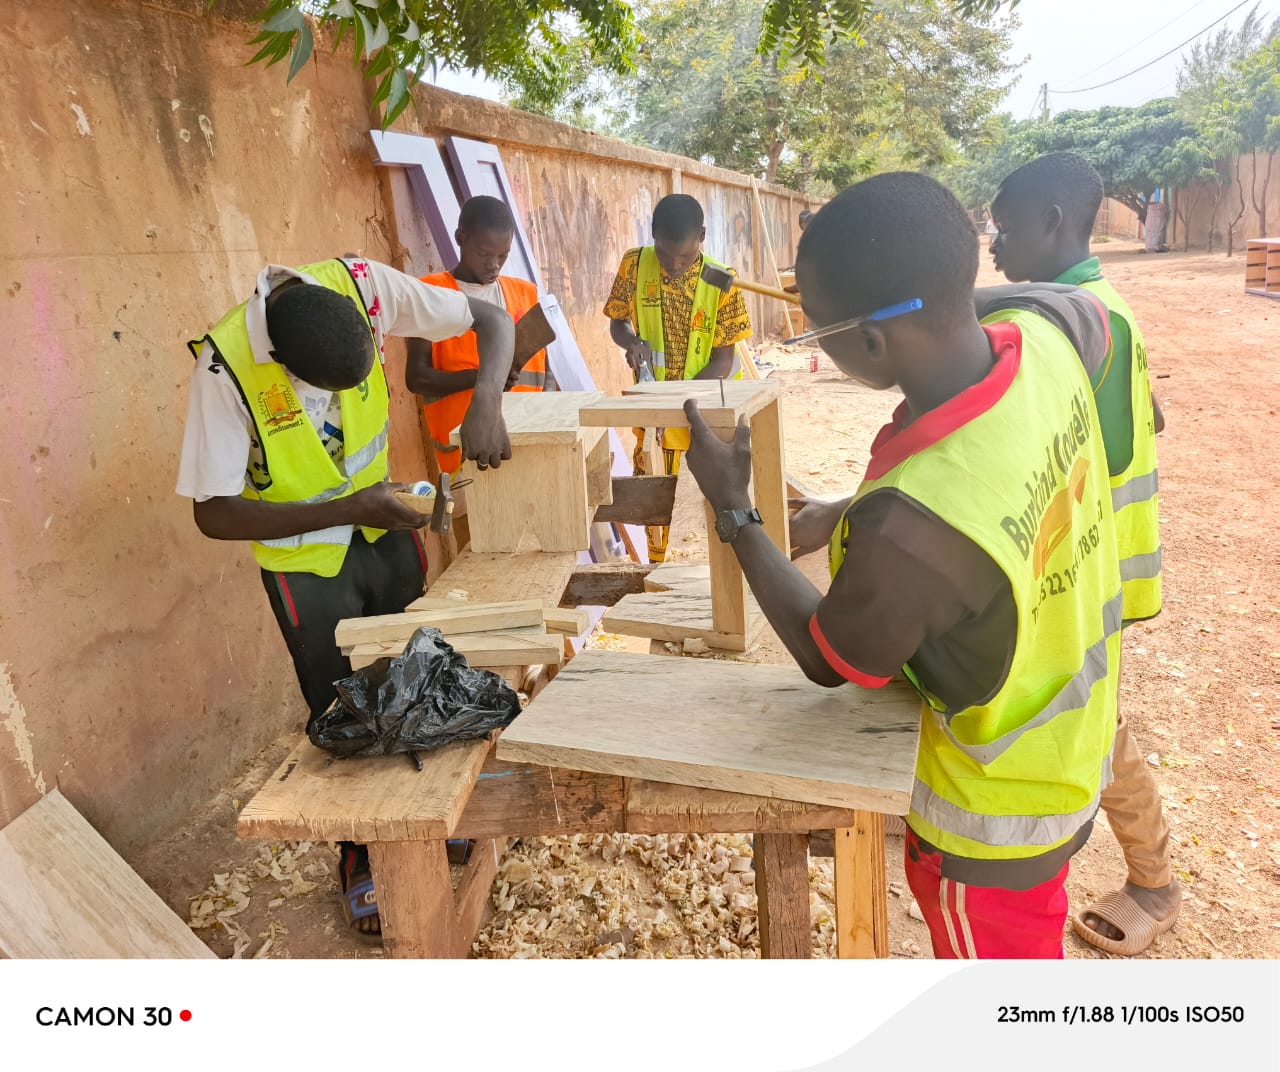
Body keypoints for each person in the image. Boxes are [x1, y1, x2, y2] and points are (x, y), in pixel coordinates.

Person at [683, 172, 1122, 959]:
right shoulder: (1053, 336)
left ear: (874, 342)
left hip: (993, 821)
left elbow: (828, 656)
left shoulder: (915, 530)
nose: (821, 344)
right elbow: (1027, 355)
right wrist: (848, 516)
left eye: (820, 333)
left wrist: (736, 511)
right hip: (1072, 742)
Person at [177, 255, 514, 939]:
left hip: (384, 527)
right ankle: (363, 853)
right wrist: (344, 508)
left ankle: (432, 816)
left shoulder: (362, 285)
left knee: (421, 673)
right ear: (289, 370)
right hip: (304, 564)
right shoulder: (226, 368)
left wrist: (487, 398)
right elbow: (213, 512)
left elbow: (492, 316)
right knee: (345, 709)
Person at [989, 151, 1177, 956]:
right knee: (1091, 713)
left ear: (1054, 223)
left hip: (1091, 569)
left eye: (1003, 229)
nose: (993, 247)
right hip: (1101, 559)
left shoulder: (1071, 323)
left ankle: (1155, 880)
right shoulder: (1101, 307)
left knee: (1098, 725)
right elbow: (1154, 414)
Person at [603, 193, 752, 561]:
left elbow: (723, 358)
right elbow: (617, 321)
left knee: (709, 507)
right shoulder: (634, 265)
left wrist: (683, 405)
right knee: (658, 503)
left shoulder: (722, 281)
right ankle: (659, 576)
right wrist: (633, 341)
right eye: (665, 254)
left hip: (707, 415)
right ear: (652, 233)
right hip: (656, 412)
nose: (673, 265)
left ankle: (716, 579)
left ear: (702, 236)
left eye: (684, 257)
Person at [408, 195, 553, 475]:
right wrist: (487, 378)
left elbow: (545, 372)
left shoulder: (525, 293)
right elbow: (416, 378)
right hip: (465, 457)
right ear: (460, 238)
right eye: (484, 254)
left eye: (503, 255)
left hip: (528, 450)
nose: (494, 265)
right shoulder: (430, 294)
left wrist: (546, 417)